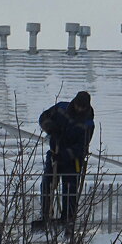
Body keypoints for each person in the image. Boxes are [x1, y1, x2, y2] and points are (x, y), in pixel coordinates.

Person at [32, 90, 94, 231]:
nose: (78, 109)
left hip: (72, 161)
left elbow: (81, 148)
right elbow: (43, 117)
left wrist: (65, 155)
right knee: (47, 184)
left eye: (82, 107)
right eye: (77, 106)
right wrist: (49, 127)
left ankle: (67, 219)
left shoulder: (88, 123)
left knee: (70, 190)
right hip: (54, 154)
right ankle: (46, 216)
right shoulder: (61, 109)